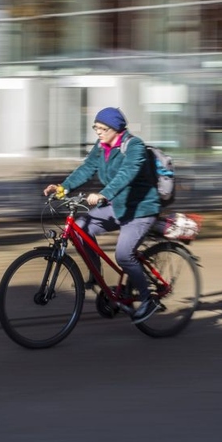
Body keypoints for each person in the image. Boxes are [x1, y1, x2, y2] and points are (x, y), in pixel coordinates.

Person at [43, 107, 162, 324]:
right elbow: (87, 168)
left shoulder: (134, 146)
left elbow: (127, 174)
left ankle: (148, 300)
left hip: (140, 209)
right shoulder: (102, 146)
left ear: (115, 129)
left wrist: (103, 194)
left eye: (102, 128)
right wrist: (63, 188)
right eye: (95, 128)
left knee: (124, 255)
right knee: (80, 229)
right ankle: (96, 275)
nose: (98, 132)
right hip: (118, 206)